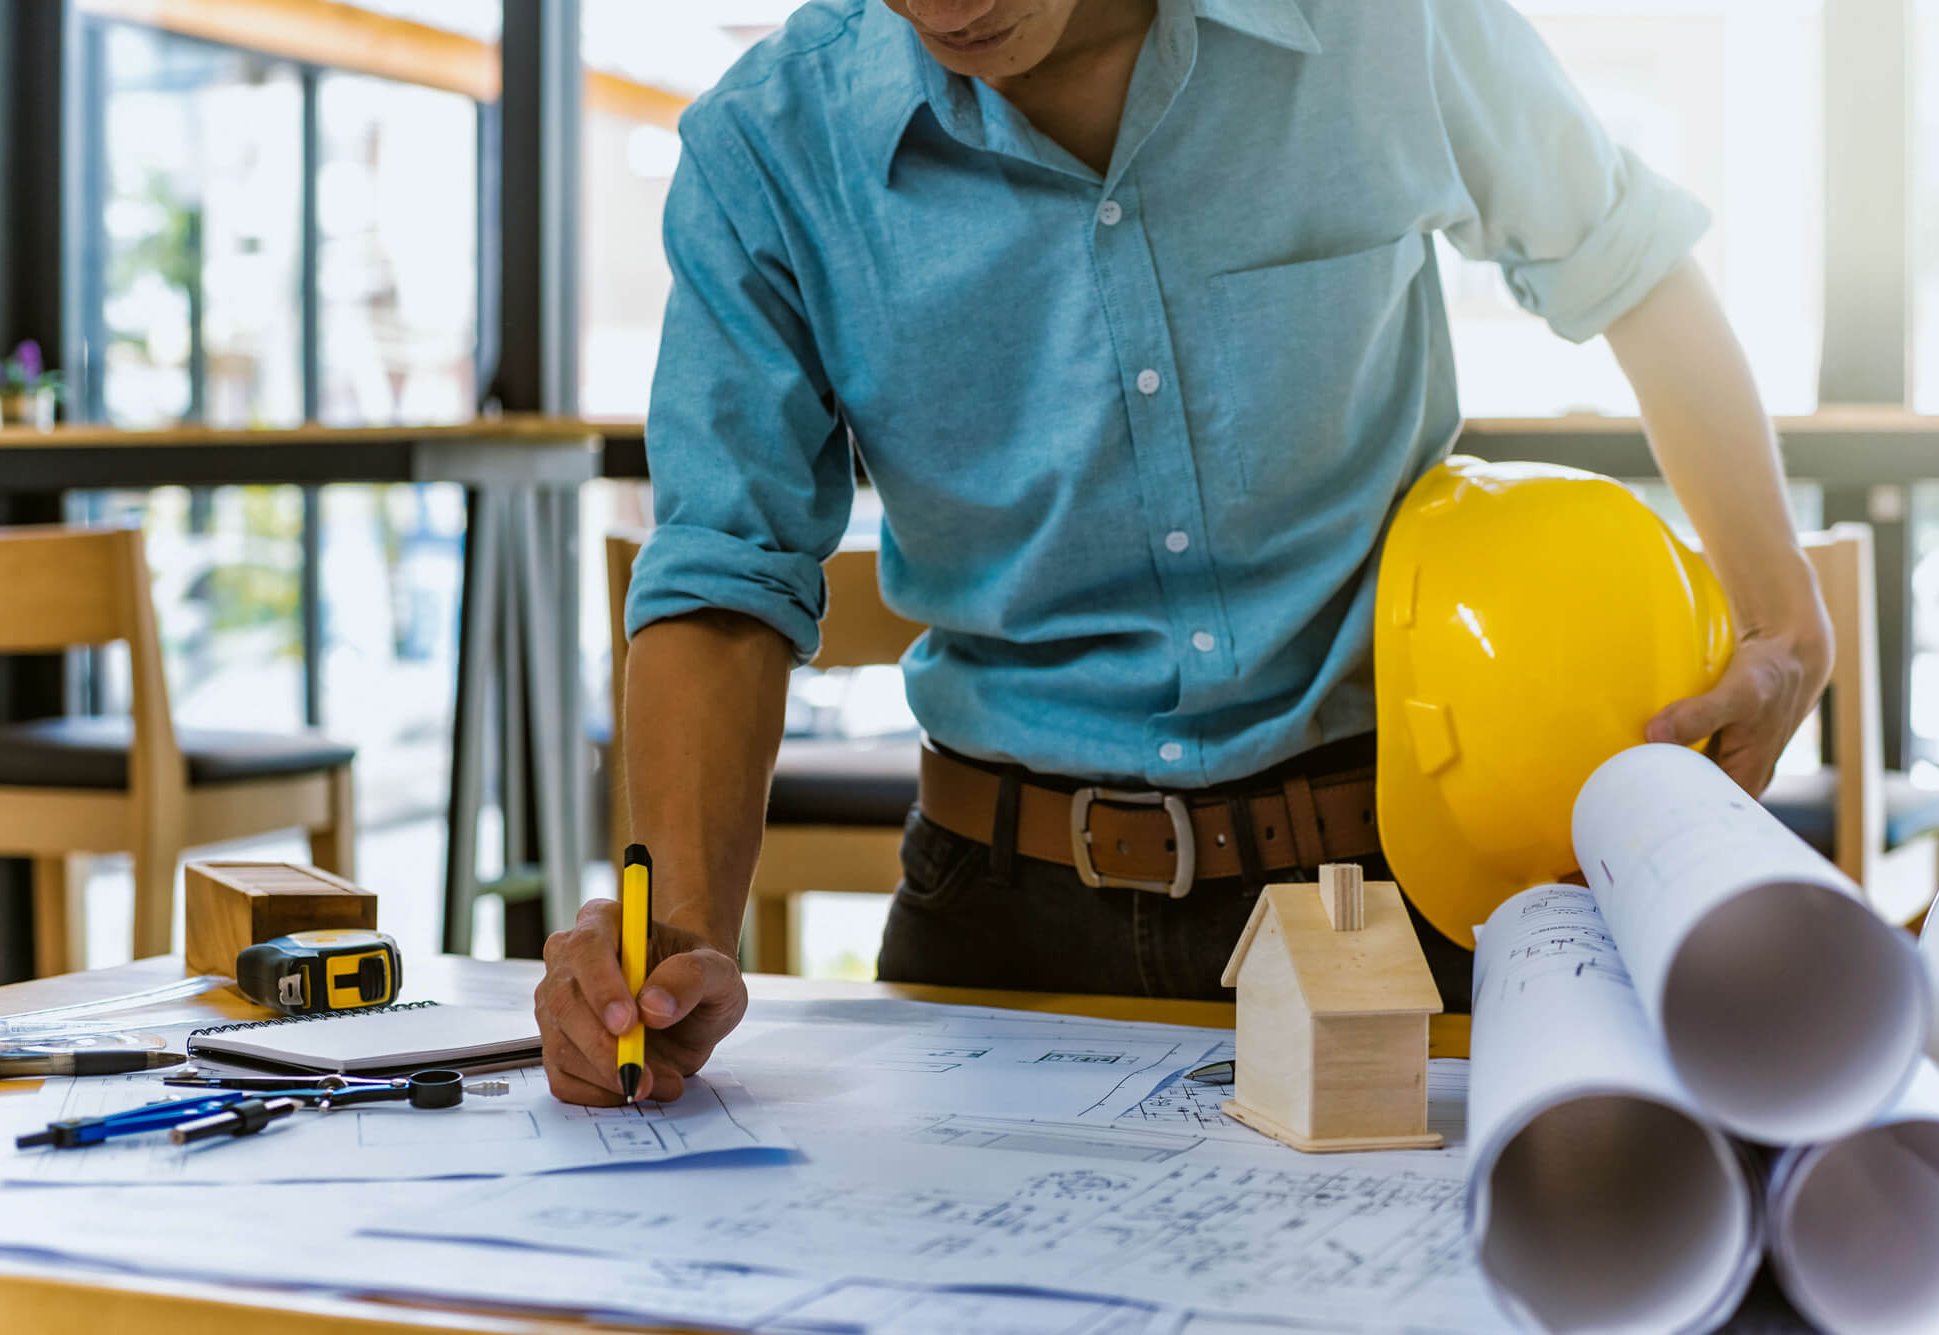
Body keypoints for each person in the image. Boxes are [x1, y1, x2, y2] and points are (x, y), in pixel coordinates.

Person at [535, 0, 1832, 1107]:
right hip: (998, 910)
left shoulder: (1383, 28)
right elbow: (724, 569)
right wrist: (684, 935)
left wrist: (1787, 626)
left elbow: (1635, 268)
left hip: (1392, 890)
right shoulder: (765, 145)